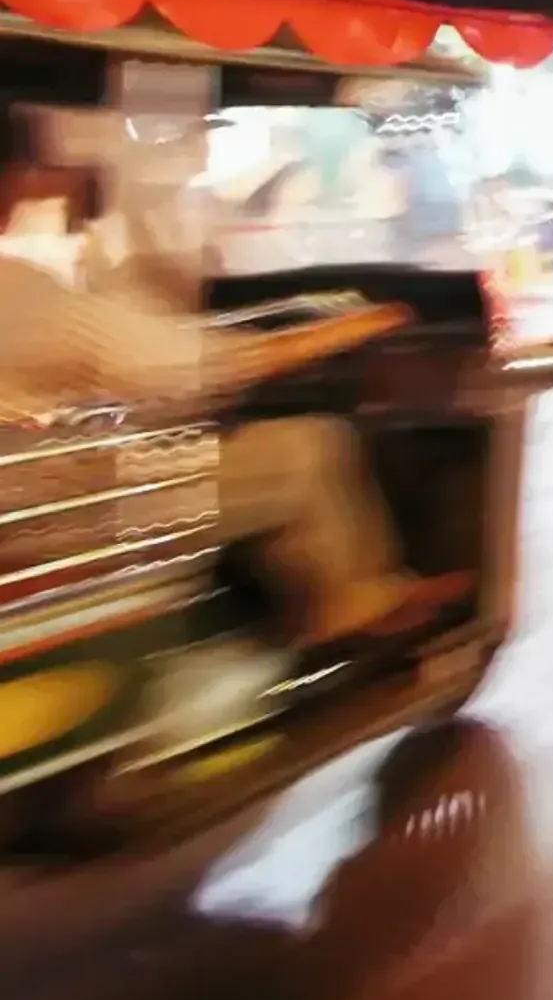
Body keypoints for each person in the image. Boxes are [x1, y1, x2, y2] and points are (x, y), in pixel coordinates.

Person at [0, 119, 468, 657]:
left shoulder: (41, 277)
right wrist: (349, 328)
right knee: (309, 448)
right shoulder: (25, 292)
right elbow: (203, 364)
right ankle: (348, 603)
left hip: (38, 496)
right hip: (60, 518)